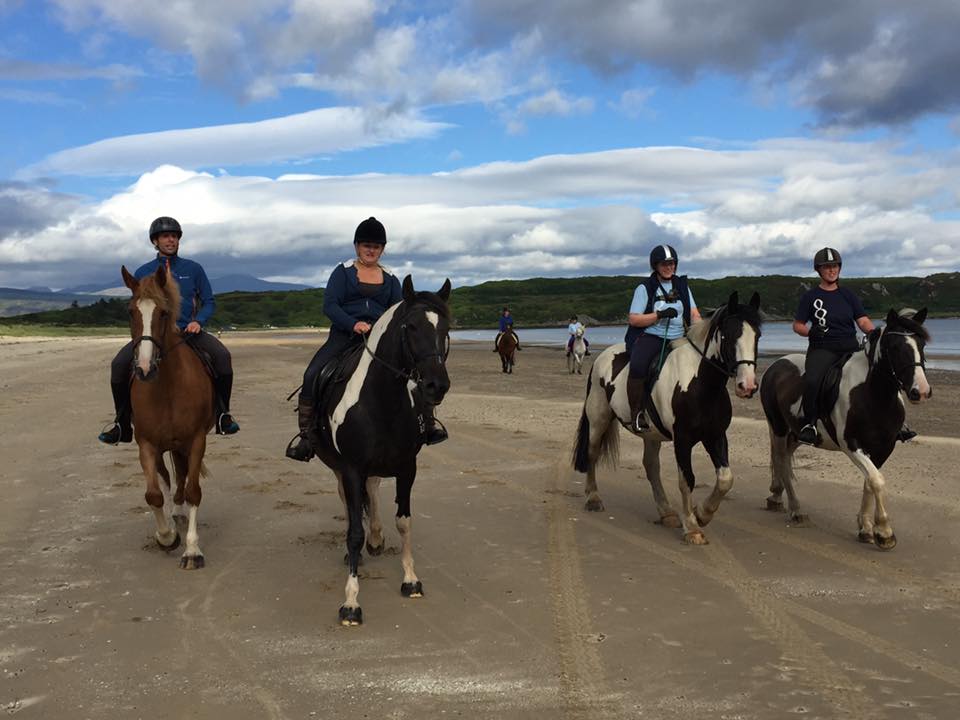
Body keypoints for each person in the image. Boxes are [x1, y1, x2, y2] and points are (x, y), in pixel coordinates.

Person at [285, 217, 447, 462]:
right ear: (356, 247)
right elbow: (330, 305)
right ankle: (307, 436)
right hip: (344, 337)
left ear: (382, 249)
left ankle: (428, 422)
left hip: (379, 340)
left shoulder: (391, 278)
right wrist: (353, 323)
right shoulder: (343, 273)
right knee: (312, 374)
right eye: (366, 245)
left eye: (376, 246)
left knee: (416, 374)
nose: (371, 250)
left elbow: (397, 311)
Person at [97, 216, 239, 444]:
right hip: (154, 336)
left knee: (222, 357)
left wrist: (199, 321)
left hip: (188, 333)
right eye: (165, 236)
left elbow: (209, 301)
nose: (171, 240)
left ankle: (223, 414)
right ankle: (122, 423)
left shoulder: (193, 269)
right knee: (118, 366)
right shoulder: (144, 271)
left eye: (174, 236)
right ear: (155, 241)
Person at [793, 247, 916, 445]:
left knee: (885, 373)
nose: (831, 270)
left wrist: (875, 333)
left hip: (850, 347)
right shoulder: (810, 297)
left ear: (839, 268)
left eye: (834, 266)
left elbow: (862, 321)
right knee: (813, 380)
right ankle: (810, 424)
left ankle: (899, 423)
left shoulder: (848, 295)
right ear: (819, 270)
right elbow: (797, 325)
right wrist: (810, 331)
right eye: (826, 267)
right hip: (822, 348)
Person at [625, 245, 701, 432]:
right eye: (664, 264)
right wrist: (658, 315)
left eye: (672, 263)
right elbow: (634, 319)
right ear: (656, 266)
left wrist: (699, 331)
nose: (669, 267)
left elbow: (694, 314)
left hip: (679, 338)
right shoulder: (645, 287)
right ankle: (637, 414)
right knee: (638, 366)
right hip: (653, 336)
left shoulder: (682, 286)